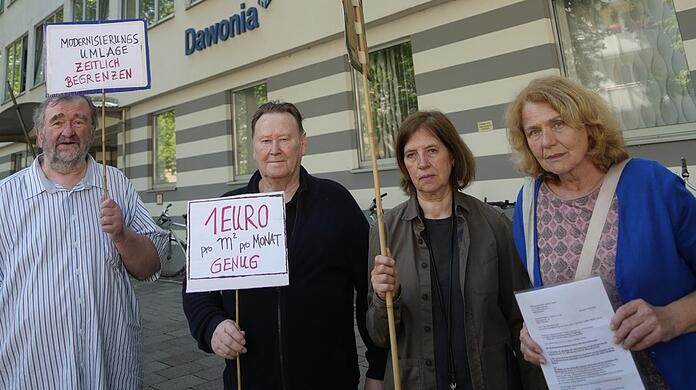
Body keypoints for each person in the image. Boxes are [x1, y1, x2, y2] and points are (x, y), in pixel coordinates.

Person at [506, 75, 696, 389]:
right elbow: (548, 295)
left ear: (590, 126)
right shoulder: (529, 202)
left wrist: (671, 319)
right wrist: (534, 332)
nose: (546, 141)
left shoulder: (652, 185)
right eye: (534, 131)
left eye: (558, 124)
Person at [182, 101, 387, 389]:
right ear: (253, 148)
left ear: (302, 143)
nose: (274, 149)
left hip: (329, 379)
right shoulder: (227, 211)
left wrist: (377, 369)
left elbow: (371, 290)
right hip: (248, 380)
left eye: (284, 139)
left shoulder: (336, 202)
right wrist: (211, 326)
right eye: (265, 140)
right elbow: (196, 287)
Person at [367, 110, 546, 390]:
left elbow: (519, 319)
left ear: (452, 156)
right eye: (411, 155)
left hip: (487, 379)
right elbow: (379, 335)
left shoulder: (493, 224)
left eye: (432, 150)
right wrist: (383, 297)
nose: (422, 163)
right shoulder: (385, 230)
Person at [0, 95, 166, 389]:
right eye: (57, 121)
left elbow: (150, 266)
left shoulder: (115, 184)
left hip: (108, 364)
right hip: (30, 369)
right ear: (39, 135)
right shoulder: (6, 197)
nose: (68, 131)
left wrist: (122, 234)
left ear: (92, 132)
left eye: (79, 120)